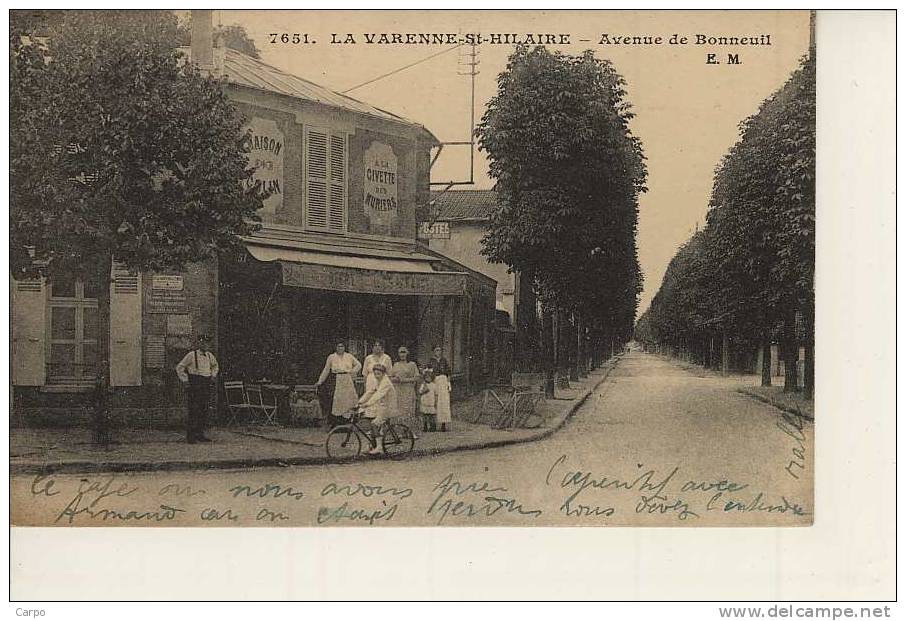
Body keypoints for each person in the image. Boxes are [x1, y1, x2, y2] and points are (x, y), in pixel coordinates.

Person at [175, 334, 219, 444]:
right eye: (203, 342)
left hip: (206, 383)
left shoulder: (209, 355)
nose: (205, 345)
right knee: (194, 410)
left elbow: (215, 366)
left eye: (207, 343)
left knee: (203, 409)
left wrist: (213, 375)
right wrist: (185, 380)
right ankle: (191, 436)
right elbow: (180, 367)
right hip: (195, 384)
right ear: (199, 343)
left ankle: (200, 434)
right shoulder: (191, 355)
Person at [315, 341, 362, 427]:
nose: (340, 348)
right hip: (336, 379)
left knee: (347, 400)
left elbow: (359, 365)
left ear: (345, 347)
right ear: (335, 347)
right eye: (338, 346)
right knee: (336, 400)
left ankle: (347, 422)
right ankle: (335, 423)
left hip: (347, 379)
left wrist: (352, 372)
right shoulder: (331, 357)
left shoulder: (349, 356)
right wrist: (320, 381)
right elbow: (326, 369)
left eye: (342, 346)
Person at [357, 363, 397, 455]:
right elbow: (370, 392)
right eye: (375, 374)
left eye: (378, 374)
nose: (376, 376)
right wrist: (360, 402)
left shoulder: (385, 382)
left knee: (374, 424)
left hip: (388, 407)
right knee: (371, 423)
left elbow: (378, 395)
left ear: (383, 374)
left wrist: (367, 404)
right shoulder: (378, 380)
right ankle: (371, 445)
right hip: (382, 406)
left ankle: (379, 448)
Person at [390, 346, 420, 439]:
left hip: (408, 390)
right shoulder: (395, 365)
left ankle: (410, 432)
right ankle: (399, 432)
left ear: (407, 353)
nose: (402, 354)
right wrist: (396, 379)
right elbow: (390, 378)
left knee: (409, 411)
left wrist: (404, 380)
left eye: (404, 352)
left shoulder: (412, 364)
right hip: (399, 391)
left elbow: (417, 377)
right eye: (400, 352)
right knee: (399, 411)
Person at [425, 345, 452, 432]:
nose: (438, 352)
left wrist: (448, 383)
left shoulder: (444, 360)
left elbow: (448, 372)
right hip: (435, 381)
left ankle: (443, 424)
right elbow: (427, 373)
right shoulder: (430, 361)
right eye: (436, 350)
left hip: (443, 381)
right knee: (434, 402)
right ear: (433, 351)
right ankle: (433, 424)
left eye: (439, 350)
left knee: (443, 402)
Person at [418, 368, 438, 432]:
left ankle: (433, 426)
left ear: (432, 378)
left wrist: (436, 401)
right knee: (425, 415)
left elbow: (436, 393)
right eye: (426, 377)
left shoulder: (434, 385)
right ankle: (425, 426)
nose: (428, 379)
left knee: (431, 415)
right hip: (425, 401)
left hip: (431, 401)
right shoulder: (423, 385)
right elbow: (420, 392)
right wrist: (424, 390)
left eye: (429, 377)